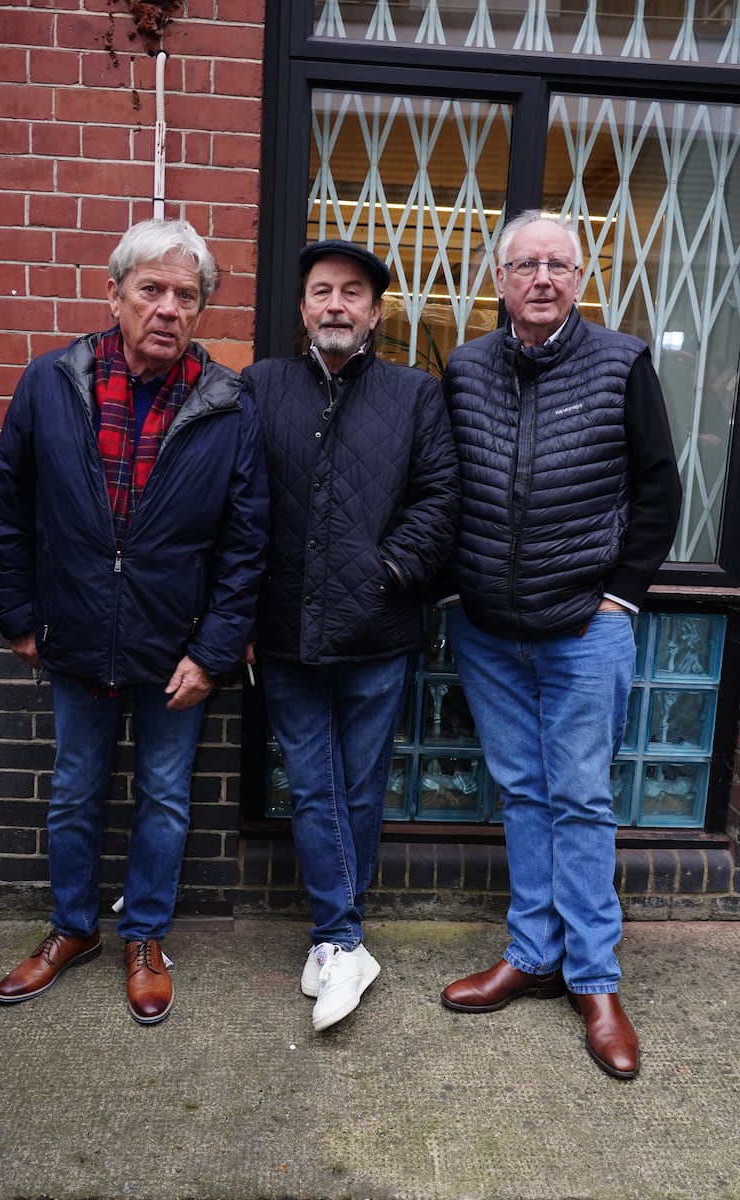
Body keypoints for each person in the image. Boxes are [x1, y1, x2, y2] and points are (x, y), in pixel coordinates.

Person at [0, 218, 269, 1024]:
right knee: (75, 793)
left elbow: (246, 545)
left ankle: (144, 935)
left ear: (201, 309)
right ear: (114, 294)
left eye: (187, 294)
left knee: (166, 798)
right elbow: (9, 509)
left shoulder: (227, 406)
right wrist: (19, 619)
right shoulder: (50, 383)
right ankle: (73, 930)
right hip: (72, 636)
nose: (169, 308)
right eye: (152, 289)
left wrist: (212, 653)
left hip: (175, 650)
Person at [440, 209, 682, 1079]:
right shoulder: (463, 367)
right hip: (488, 629)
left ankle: (595, 979)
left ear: (581, 278)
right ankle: (532, 955)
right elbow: (442, 483)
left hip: (585, 625)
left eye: (560, 265)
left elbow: (659, 488)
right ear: (499, 279)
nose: (543, 278)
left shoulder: (622, 362)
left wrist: (620, 596)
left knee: (579, 797)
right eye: (525, 265)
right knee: (521, 792)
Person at [243, 239, 459, 1032]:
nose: (336, 304)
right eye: (322, 291)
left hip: (379, 631)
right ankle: (342, 937)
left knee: (360, 786)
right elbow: (239, 504)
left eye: (353, 293)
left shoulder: (415, 395)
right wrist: (239, 613)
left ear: (374, 312)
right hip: (286, 631)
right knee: (311, 780)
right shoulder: (262, 386)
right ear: (302, 308)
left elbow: (439, 503)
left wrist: (385, 574)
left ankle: (338, 937)